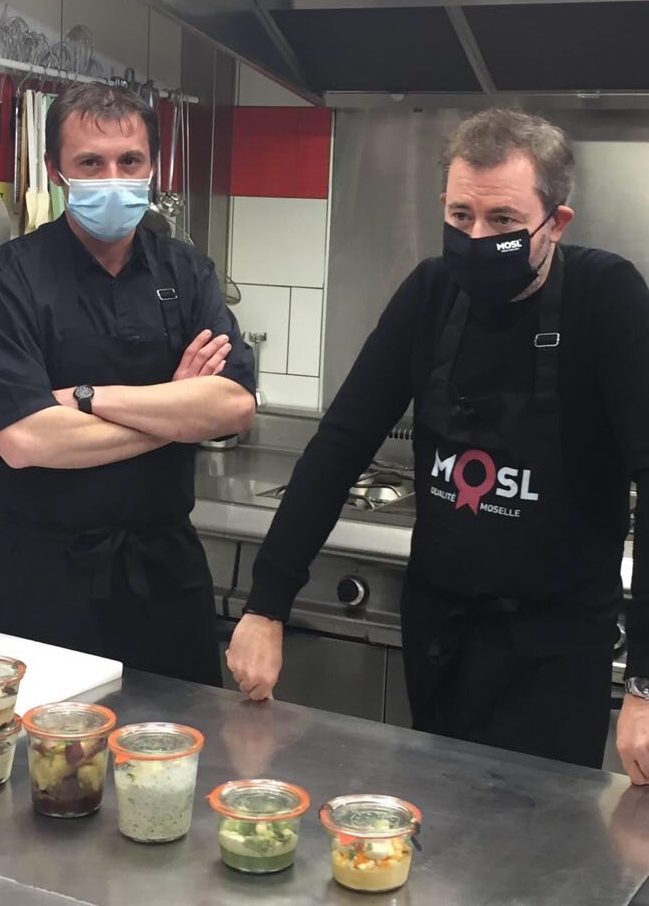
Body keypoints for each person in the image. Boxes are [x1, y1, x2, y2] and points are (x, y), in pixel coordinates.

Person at [227, 108, 649, 779]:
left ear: (556, 223)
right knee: (439, 818)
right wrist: (265, 605)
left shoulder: (606, 297)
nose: (476, 239)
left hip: (555, 647)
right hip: (440, 634)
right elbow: (339, 446)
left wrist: (645, 685)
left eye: (503, 221)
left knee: (535, 832)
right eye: (459, 216)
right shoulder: (431, 292)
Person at [0, 83, 256, 686]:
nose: (113, 179)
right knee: (47, 745)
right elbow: (26, 440)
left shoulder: (186, 271)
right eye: (91, 163)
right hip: (42, 582)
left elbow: (233, 405)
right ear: (55, 171)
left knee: (179, 741)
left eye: (130, 161)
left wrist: (88, 399)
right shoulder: (10, 277)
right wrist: (175, 414)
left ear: (153, 167)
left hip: (166, 578)